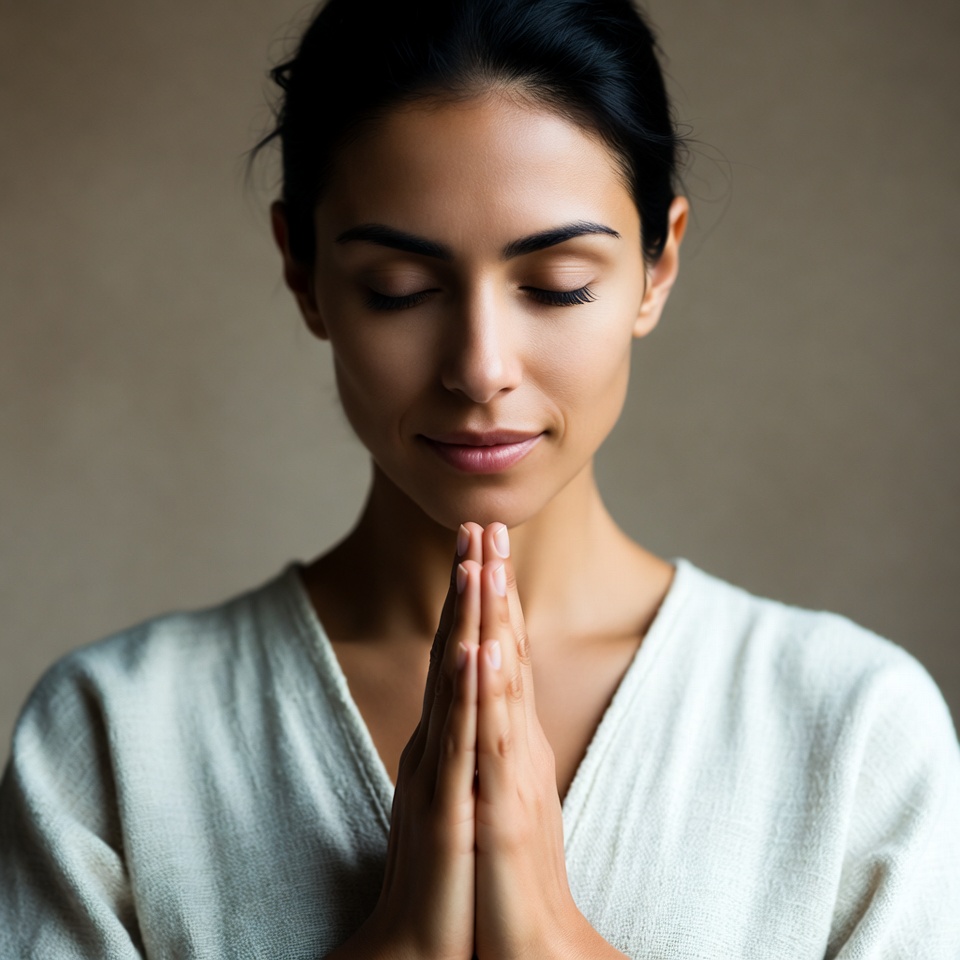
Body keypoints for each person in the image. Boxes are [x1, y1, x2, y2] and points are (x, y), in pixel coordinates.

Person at [2, 0, 959, 956]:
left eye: (555, 285)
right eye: (399, 289)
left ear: (658, 265)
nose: (480, 365)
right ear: (302, 270)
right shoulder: (113, 737)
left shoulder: (853, 730)